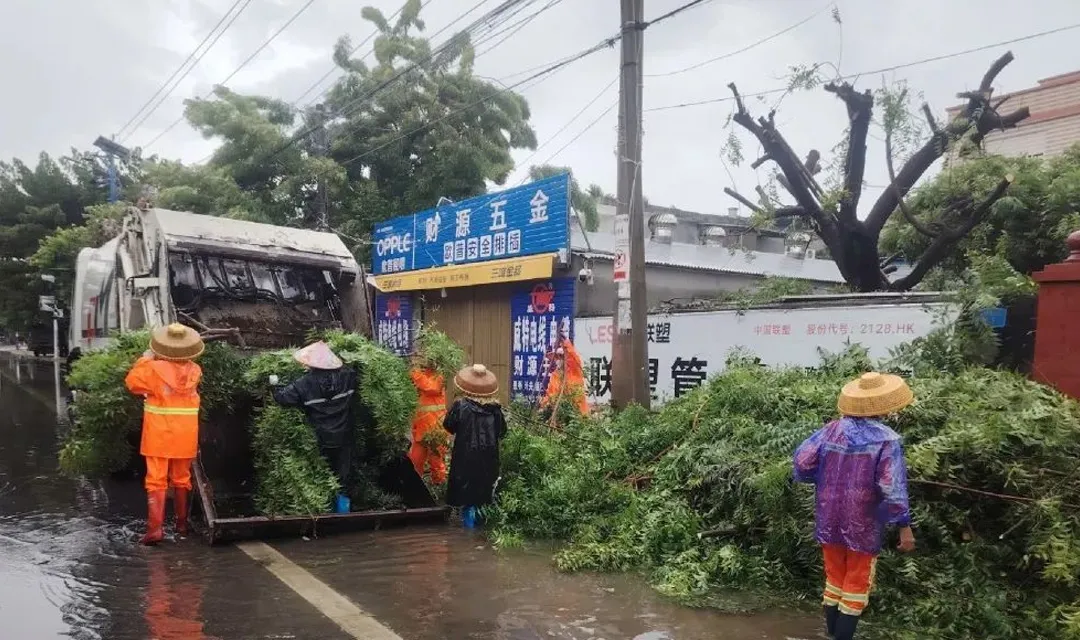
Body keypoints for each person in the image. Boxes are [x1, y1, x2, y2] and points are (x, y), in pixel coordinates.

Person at [793, 371, 917, 640]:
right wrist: (904, 527)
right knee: (855, 586)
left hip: (829, 518)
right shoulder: (886, 440)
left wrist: (826, 477)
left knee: (834, 582)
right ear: (884, 406)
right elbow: (891, 487)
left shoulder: (831, 430)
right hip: (863, 522)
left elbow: (802, 462)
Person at [124, 323, 205, 545]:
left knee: (156, 481)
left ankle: (154, 530)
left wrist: (144, 358)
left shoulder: (153, 370)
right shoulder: (195, 371)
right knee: (182, 479)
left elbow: (132, 383)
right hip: (186, 434)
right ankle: (181, 525)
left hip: (159, 434)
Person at [269, 341, 359, 514]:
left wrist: (274, 385)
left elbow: (282, 398)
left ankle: (321, 514)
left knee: (320, 474)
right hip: (344, 437)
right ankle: (343, 515)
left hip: (319, 438)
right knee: (343, 477)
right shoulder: (348, 377)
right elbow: (359, 373)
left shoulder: (304, 383)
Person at [444, 364, 508, 528]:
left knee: (467, 498)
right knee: (484, 496)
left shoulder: (461, 406)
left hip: (465, 458)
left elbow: (449, 426)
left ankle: (469, 533)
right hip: (489, 459)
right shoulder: (496, 410)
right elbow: (502, 432)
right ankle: (480, 532)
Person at [407, 354, 448, 484]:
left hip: (435, 430)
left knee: (436, 463)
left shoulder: (438, 377)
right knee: (414, 461)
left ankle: (439, 486)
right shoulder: (419, 378)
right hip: (421, 430)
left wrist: (416, 374)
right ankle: (414, 488)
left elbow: (432, 388)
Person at [541, 338, 589, 416]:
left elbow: (573, 357)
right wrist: (545, 404)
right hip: (560, 414)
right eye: (557, 358)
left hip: (577, 414)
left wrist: (566, 344)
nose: (558, 360)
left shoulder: (574, 371)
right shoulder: (555, 376)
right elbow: (550, 394)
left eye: (561, 357)